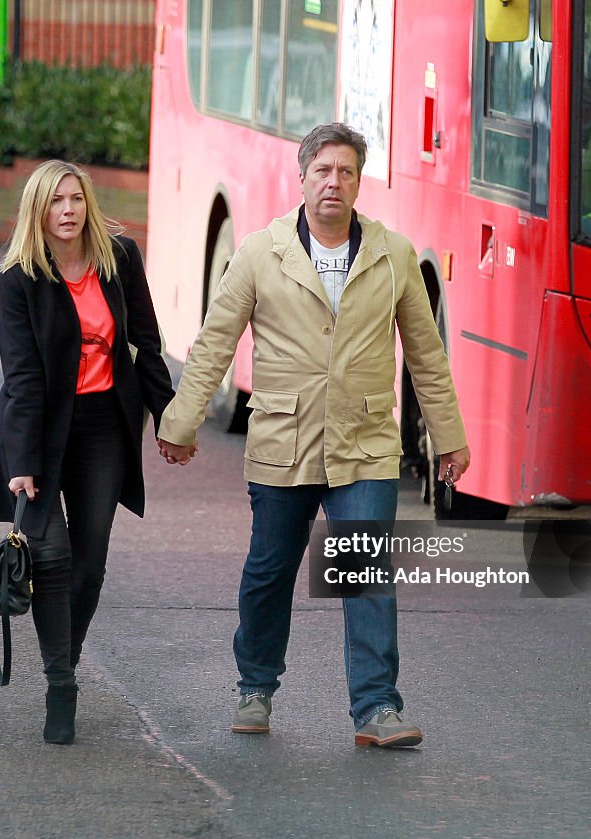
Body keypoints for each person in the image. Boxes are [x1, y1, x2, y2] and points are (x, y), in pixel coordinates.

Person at [157, 123, 470, 748]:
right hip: (283, 441)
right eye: (323, 170)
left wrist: (450, 436)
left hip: (365, 444)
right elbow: (218, 342)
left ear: (359, 182)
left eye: (346, 172)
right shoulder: (258, 252)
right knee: (270, 572)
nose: (334, 182)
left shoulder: (393, 254)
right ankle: (255, 688)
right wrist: (180, 421)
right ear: (302, 178)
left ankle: (377, 708)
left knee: (368, 574)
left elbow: (427, 357)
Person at [0, 161, 174, 745]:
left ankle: (65, 656)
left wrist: (172, 420)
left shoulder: (119, 258)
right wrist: (23, 464)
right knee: (52, 559)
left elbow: (145, 343)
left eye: (76, 199)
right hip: (40, 430)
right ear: (36, 213)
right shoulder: (20, 277)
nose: (67, 210)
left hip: (104, 428)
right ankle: (61, 681)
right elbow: (22, 378)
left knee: (89, 568)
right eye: (55, 202)